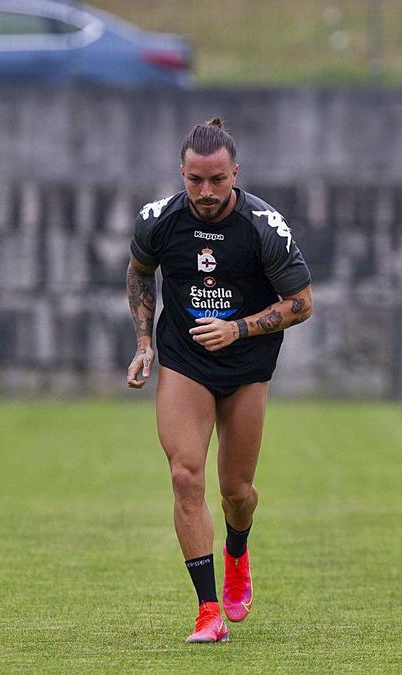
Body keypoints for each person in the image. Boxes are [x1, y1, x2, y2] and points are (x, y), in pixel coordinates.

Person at [126, 118, 312, 642]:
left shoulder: (264, 227)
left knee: (237, 491)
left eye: (216, 181)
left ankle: (237, 550)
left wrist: (237, 330)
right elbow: (140, 271)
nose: (205, 192)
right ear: (181, 174)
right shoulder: (159, 221)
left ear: (235, 173)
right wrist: (145, 344)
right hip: (186, 361)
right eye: (194, 180)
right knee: (186, 476)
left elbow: (301, 303)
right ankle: (208, 612)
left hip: (247, 365)